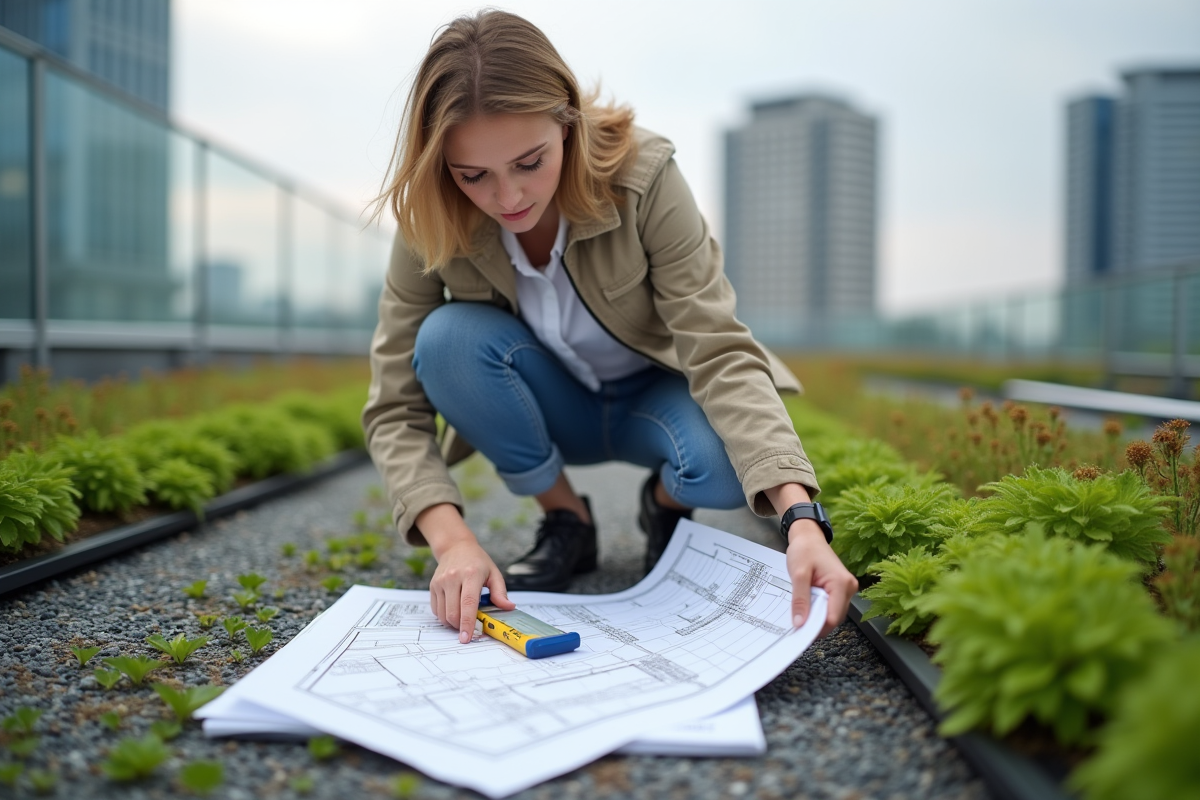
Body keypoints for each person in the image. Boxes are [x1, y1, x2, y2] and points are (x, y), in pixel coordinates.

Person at [364, 9, 857, 646]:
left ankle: (666, 508)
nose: (508, 197)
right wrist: (453, 543)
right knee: (446, 341)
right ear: (444, 167)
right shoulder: (432, 217)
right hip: (550, 401)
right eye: (473, 176)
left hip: (654, 401)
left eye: (530, 162)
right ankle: (567, 520)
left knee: (728, 462)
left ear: (567, 120)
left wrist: (802, 521)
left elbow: (719, 351)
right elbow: (394, 406)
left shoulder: (644, 178)